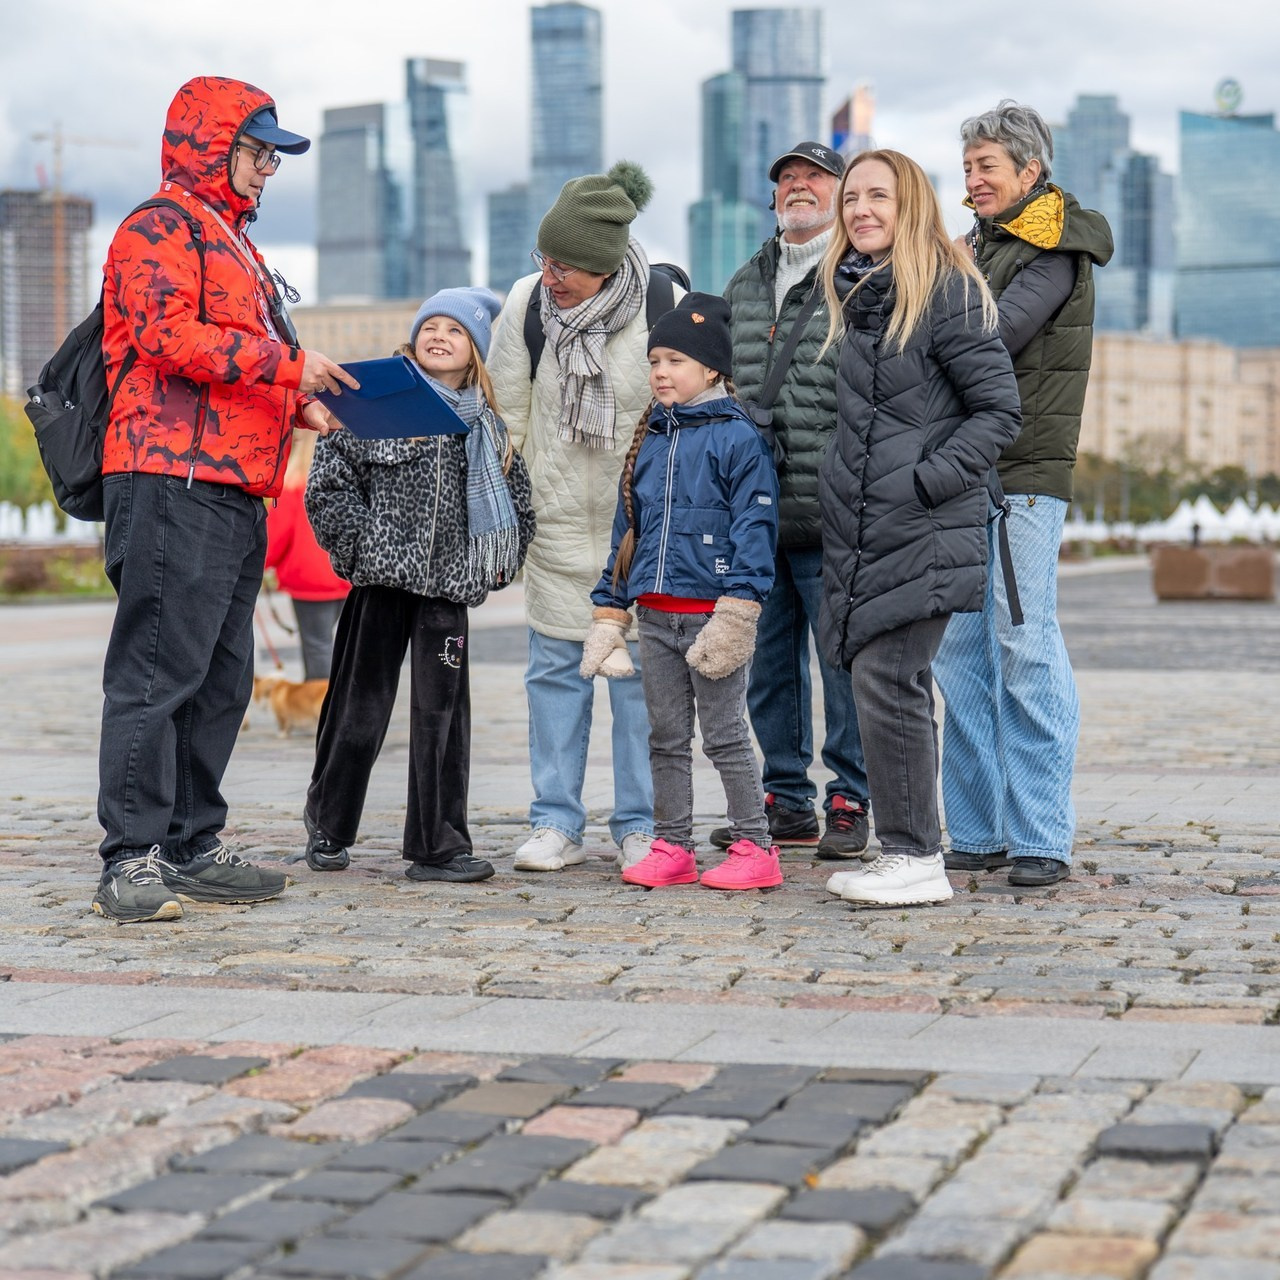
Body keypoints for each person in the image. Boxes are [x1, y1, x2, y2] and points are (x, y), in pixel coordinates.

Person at [93, 77, 357, 924]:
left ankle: (191, 844)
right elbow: (166, 337)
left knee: (221, 680)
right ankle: (129, 858)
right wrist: (288, 368)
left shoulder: (234, 243)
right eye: (257, 151)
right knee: (156, 674)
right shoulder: (158, 226)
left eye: (273, 155)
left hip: (234, 484)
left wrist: (296, 402)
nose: (268, 169)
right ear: (212, 147)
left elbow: (230, 359)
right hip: (169, 477)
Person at [817, 150, 1022, 908]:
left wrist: (925, 479)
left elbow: (999, 412)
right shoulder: (861, 296)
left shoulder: (946, 293)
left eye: (879, 196)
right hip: (873, 526)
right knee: (878, 680)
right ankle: (904, 847)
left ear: (911, 206)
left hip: (925, 523)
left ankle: (916, 857)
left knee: (890, 678)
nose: (861, 210)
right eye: (851, 200)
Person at [932, 101, 1113, 888]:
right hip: (966, 470)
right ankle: (977, 831)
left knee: (1022, 642)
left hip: (1020, 475)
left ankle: (1041, 835)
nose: (971, 180)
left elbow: (994, 337)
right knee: (961, 656)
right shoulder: (978, 245)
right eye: (967, 167)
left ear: (1029, 172)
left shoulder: (1052, 244)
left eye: (987, 168)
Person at [300, 287, 535, 880]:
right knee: (357, 712)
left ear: (475, 351)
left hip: (446, 594)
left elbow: (518, 505)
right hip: (379, 585)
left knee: (442, 722)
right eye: (430, 325)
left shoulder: (487, 430)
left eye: (455, 331)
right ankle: (328, 827)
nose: (439, 336)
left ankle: (438, 846)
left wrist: (497, 563)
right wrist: (359, 548)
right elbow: (328, 487)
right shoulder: (373, 407)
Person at [489, 163, 679, 873]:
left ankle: (639, 822)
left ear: (604, 264)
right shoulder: (526, 304)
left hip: (640, 530)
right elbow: (505, 413)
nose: (552, 274)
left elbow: (684, 409)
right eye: (545, 258)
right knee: (556, 676)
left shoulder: (664, 300)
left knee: (638, 685)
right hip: (558, 522)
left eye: (567, 264)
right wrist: (506, 505)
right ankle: (555, 821)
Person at [581, 293, 782, 890]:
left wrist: (739, 611)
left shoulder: (737, 438)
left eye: (675, 361)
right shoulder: (651, 439)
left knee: (724, 736)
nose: (661, 372)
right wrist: (610, 609)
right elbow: (628, 529)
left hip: (711, 617)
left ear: (712, 369)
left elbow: (755, 526)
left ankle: (756, 846)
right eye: (655, 361)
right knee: (666, 738)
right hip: (657, 616)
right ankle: (674, 845)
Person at [720, 140, 872, 860]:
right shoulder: (746, 281)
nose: (799, 187)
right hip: (756, 509)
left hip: (837, 504)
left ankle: (850, 797)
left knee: (843, 664)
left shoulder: (864, 276)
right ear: (773, 197)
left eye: (815, 177)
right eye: (787, 179)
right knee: (768, 664)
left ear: (841, 195)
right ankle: (785, 798)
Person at [264, 430, 350, 681]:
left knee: (317, 645)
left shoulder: (293, 488)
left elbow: (273, 541)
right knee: (342, 644)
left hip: (309, 582)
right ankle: (340, 702)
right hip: (345, 577)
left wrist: (257, 563)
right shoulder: (342, 481)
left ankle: (318, 707)